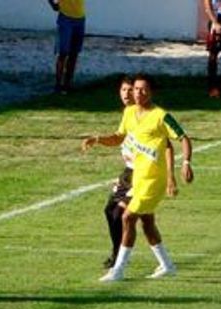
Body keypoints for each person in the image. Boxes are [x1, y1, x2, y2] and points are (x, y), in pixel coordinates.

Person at [82, 74, 193, 282]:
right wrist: (97, 139)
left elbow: (183, 138)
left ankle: (118, 270)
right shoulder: (129, 112)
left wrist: (186, 163)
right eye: (136, 89)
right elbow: (118, 137)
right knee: (147, 222)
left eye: (143, 89)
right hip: (138, 178)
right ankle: (167, 265)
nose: (138, 93)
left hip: (154, 180)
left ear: (151, 92)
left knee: (128, 217)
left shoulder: (161, 116)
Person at [46, 0, 85, 94]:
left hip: (80, 18)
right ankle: (58, 85)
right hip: (65, 17)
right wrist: (53, 4)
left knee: (74, 54)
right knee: (63, 53)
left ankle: (67, 84)